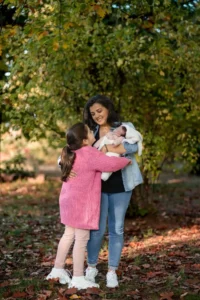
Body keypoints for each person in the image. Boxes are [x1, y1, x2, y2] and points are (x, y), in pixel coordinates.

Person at [46, 122, 131, 290]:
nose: (94, 132)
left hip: (68, 202)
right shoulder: (90, 153)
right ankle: (78, 277)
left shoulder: (70, 153)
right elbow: (109, 164)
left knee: (68, 235)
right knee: (81, 239)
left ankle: (57, 269)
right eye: (91, 131)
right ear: (85, 140)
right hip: (82, 205)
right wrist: (126, 161)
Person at [83, 95, 143, 288]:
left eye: (99, 111)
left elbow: (133, 146)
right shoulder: (90, 131)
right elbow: (83, 154)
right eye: (93, 114)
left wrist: (108, 147)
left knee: (117, 229)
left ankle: (111, 271)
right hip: (97, 186)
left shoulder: (124, 126)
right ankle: (91, 267)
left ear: (108, 108)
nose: (97, 116)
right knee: (97, 229)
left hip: (121, 185)